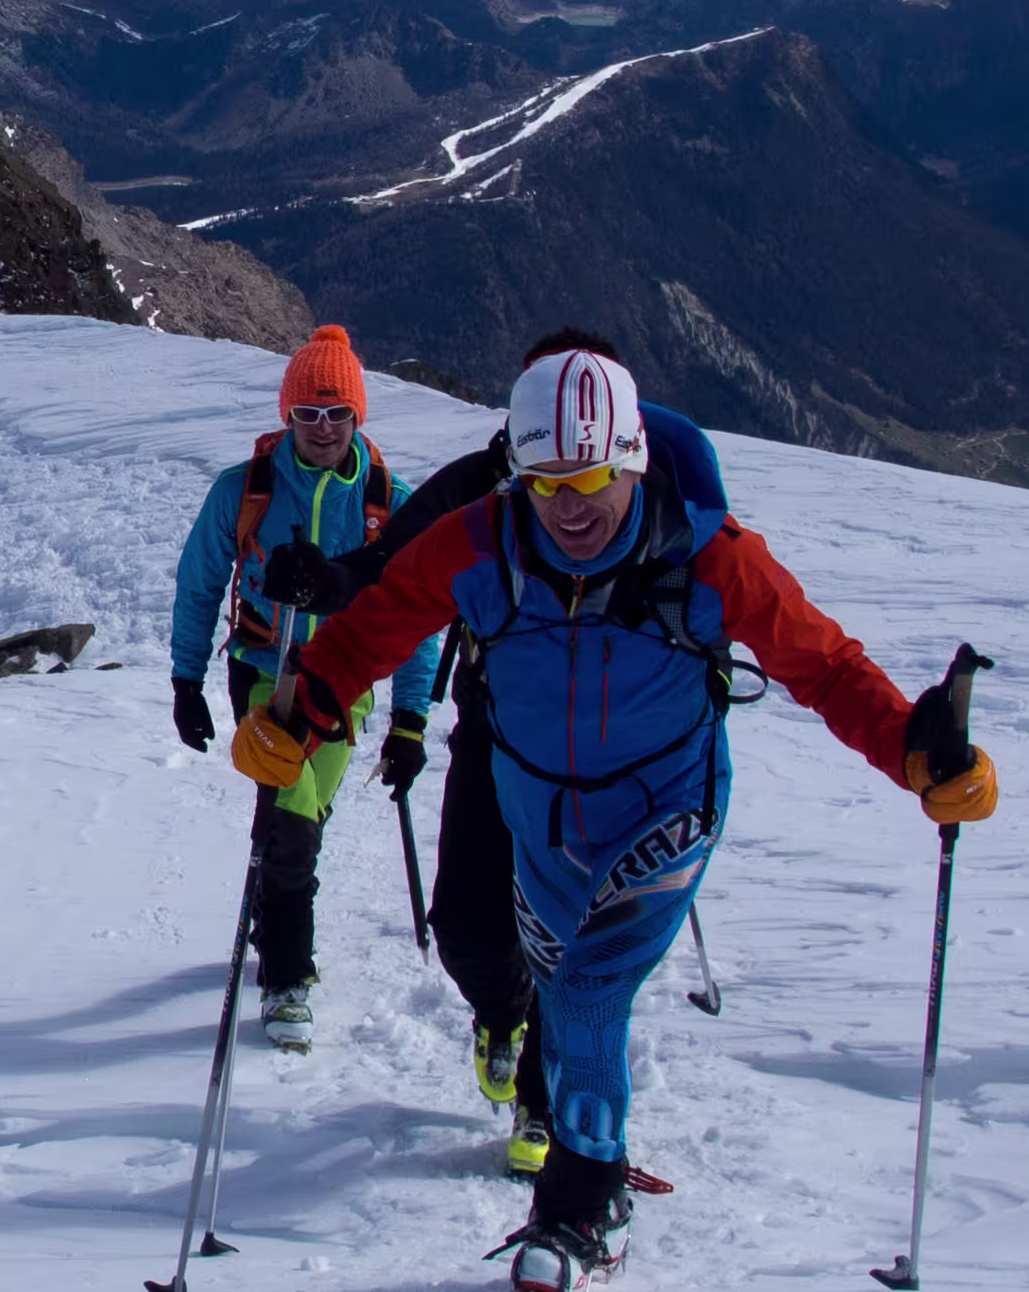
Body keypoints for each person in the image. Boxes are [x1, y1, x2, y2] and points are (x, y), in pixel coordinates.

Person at [230, 344, 999, 1292]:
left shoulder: (711, 557)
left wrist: (914, 754)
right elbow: (371, 632)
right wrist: (299, 715)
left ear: (632, 458)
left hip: (666, 807)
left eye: (592, 477)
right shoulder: (479, 543)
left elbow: (826, 668)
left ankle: (579, 1208)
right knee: (558, 996)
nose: (570, 505)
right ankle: (596, 1164)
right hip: (539, 817)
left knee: (589, 991)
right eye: (547, 480)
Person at [256, 328, 728, 1178]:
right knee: (468, 929)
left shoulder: (655, 500)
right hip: (498, 730)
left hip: (624, 762)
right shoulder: (485, 483)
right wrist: (325, 586)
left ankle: (544, 1104)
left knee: (571, 940)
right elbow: (391, 569)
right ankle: (501, 1016)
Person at [166, 325, 441, 1051]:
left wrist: (410, 719)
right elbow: (199, 584)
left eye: (337, 413)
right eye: (307, 414)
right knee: (290, 815)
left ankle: (273, 918)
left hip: (345, 682)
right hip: (263, 672)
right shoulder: (245, 490)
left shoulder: (391, 505)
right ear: (287, 415)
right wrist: (186, 680)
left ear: (358, 415)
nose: (322, 428)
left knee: (302, 815)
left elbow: (418, 617)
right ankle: (288, 976)